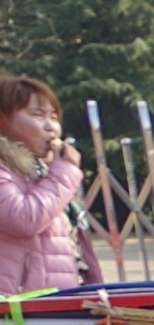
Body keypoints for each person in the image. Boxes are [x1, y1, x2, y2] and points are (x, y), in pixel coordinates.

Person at [0, 74, 86, 294]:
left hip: (54, 306)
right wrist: (64, 173)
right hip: (16, 310)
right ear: (3, 120)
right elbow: (23, 219)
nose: (52, 128)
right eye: (38, 115)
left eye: (54, 117)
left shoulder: (43, 172)